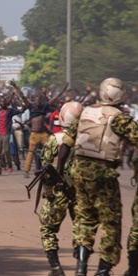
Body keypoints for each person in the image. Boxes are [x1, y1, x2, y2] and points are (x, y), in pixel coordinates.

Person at [57, 78, 138, 276]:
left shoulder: (85, 112)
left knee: (85, 218)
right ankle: (103, 270)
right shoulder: (120, 118)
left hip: (79, 170)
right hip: (103, 172)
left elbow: (66, 143)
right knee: (110, 221)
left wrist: (59, 172)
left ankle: (80, 267)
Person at [38, 101, 83, 276]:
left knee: (47, 228)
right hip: (80, 192)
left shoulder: (54, 139)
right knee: (82, 229)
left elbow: (45, 164)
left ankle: (56, 267)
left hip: (58, 193)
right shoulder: (86, 140)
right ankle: (81, 266)